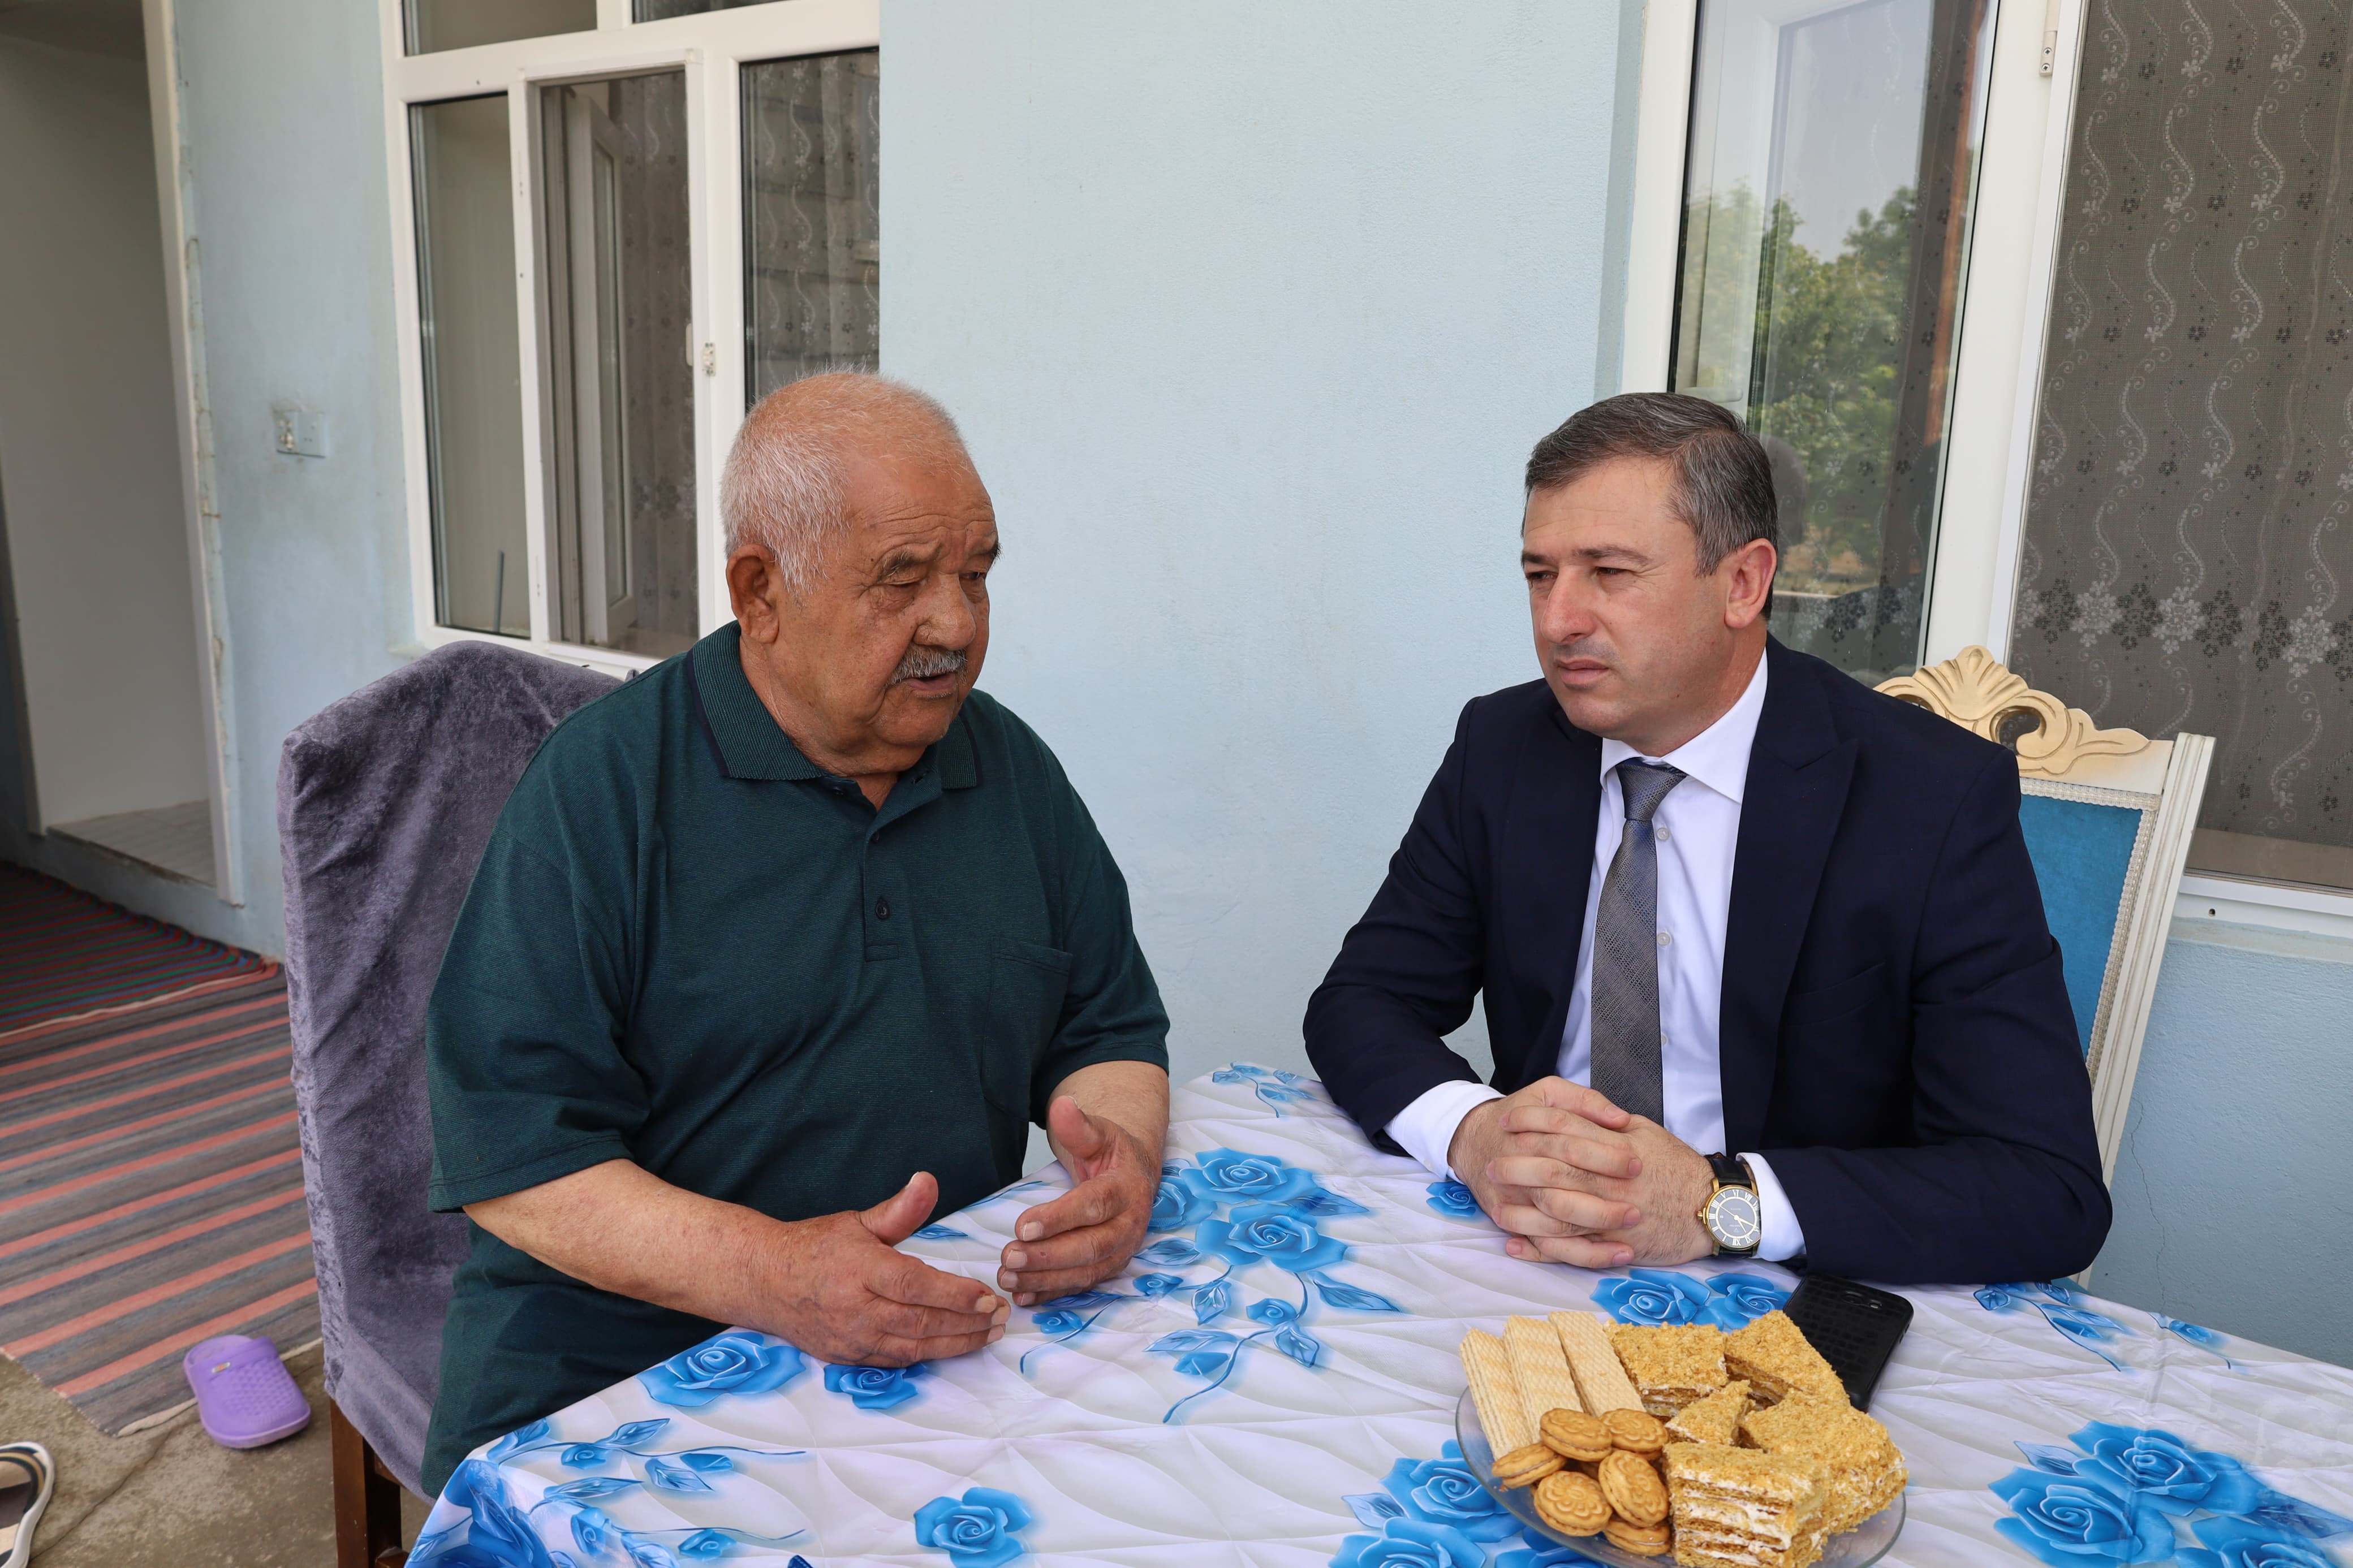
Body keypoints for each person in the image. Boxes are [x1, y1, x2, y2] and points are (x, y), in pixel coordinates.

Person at [421, 374, 1171, 1496]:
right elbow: (516, 1160)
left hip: (930, 1346)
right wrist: (774, 1274)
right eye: (903, 579)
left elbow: (1107, 1028)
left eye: (975, 574)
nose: (958, 624)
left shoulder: (1009, 768)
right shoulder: (604, 789)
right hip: (621, 1377)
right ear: (760, 591)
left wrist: (1123, 1165)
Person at [1303, 392, 2109, 1286]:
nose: (1559, 619)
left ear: (1743, 583)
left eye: (1609, 572)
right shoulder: (1504, 747)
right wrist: (1472, 1130)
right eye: (1540, 574)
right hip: (1531, 1248)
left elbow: (2046, 1186)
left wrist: (1716, 1201)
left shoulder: (1927, 796)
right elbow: (1362, 1000)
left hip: (1791, 1281)